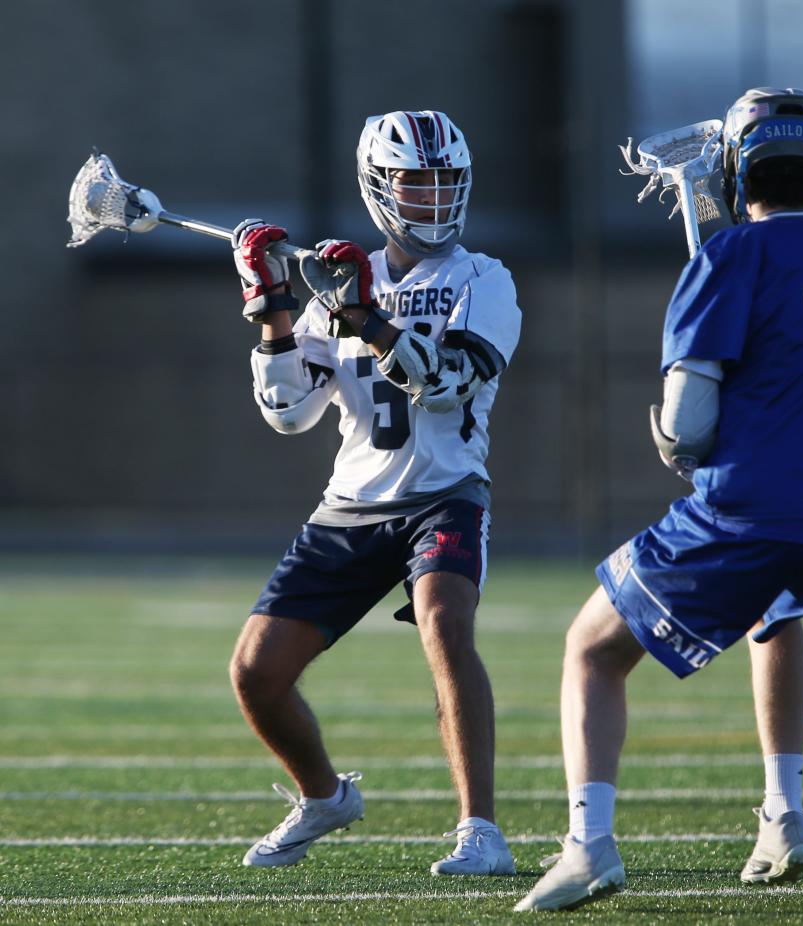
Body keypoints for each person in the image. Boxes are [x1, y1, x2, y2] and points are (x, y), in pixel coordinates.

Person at [515, 87, 803, 912]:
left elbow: (689, 424)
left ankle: (588, 845)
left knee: (592, 646)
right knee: (779, 612)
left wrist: (673, 440)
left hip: (759, 510)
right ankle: (784, 816)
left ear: (737, 166)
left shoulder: (723, 260)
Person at [227, 110, 521, 877]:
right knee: (255, 673)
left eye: (444, 182)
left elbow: (450, 382)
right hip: (352, 503)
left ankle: (480, 831)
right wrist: (274, 305)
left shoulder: (482, 278)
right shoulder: (337, 283)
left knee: (445, 623)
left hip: (445, 493)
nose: (432, 199)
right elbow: (289, 413)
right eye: (415, 183)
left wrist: (367, 316)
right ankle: (324, 797)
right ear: (378, 187)